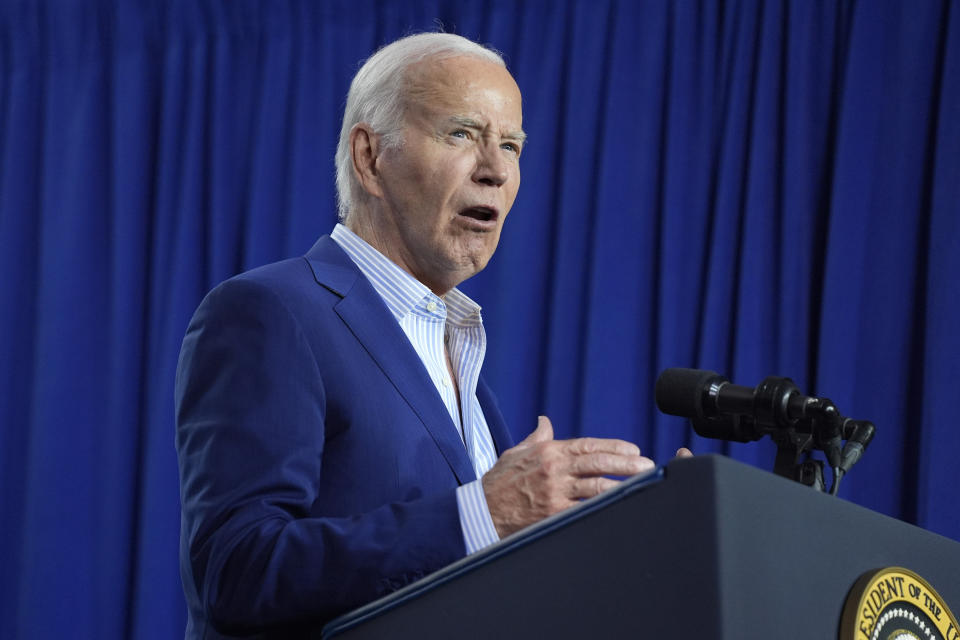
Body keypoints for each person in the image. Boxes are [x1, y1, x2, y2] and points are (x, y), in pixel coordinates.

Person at [175, 32, 687, 639]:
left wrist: (610, 550)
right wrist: (483, 512)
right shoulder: (271, 312)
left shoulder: (464, 367)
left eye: (512, 145)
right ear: (370, 158)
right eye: (462, 134)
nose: (496, 170)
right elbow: (235, 571)